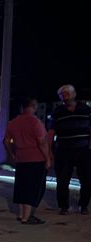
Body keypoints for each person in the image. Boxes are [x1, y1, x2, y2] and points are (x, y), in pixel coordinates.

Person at [3, 97, 51, 224]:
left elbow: (6, 141)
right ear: (34, 106)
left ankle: (21, 215)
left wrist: (12, 155)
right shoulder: (36, 122)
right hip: (36, 159)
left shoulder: (12, 123)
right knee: (34, 188)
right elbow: (42, 142)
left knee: (22, 187)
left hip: (21, 159)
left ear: (22, 108)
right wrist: (47, 159)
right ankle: (27, 217)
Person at [47, 84, 91, 215]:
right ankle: (64, 206)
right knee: (62, 180)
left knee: (87, 180)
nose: (66, 96)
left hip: (83, 149)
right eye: (63, 94)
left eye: (68, 93)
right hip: (64, 151)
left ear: (74, 94)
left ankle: (83, 205)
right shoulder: (57, 112)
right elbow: (51, 132)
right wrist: (49, 150)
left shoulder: (85, 109)